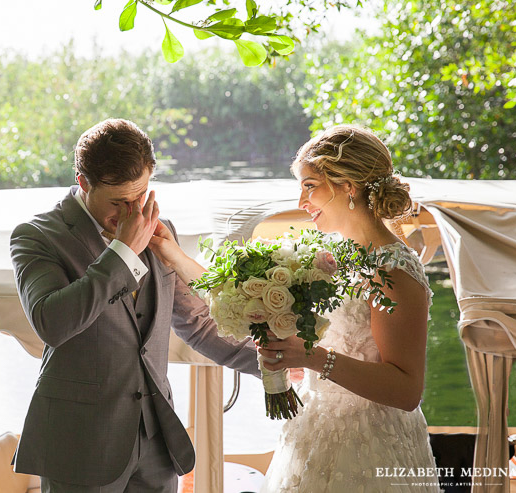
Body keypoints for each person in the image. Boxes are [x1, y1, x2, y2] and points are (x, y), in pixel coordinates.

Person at [148, 124, 442, 492]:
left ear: (347, 186)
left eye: (309, 185)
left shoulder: (394, 270)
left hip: (373, 443)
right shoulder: (328, 253)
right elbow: (234, 292)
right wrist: (170, 252)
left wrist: (313, 358)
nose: (301, 202)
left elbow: (406, 390)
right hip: (312, 430)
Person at [10, 118, 260, 493]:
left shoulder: (160, 230)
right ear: (83, 183)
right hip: (81, 444)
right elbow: (52, 323)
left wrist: (271, 363)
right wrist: (123, 251)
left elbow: (196, 324)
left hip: (158, 441)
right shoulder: (37, 236)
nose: (132, 213)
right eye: (118, 202)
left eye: (140, 196)